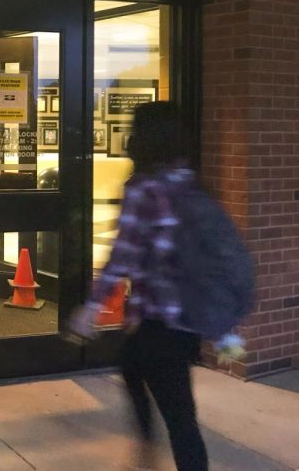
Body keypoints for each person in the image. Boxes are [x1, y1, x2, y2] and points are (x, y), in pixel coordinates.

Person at [67, 101, 208, 471]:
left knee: (179, 418)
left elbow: (123, 254)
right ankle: (146, 452)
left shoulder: (144, 188)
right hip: (185, 315)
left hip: (160, 318)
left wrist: (92, 306)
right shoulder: (188, 182)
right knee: (135, 370)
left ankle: (149, 454)